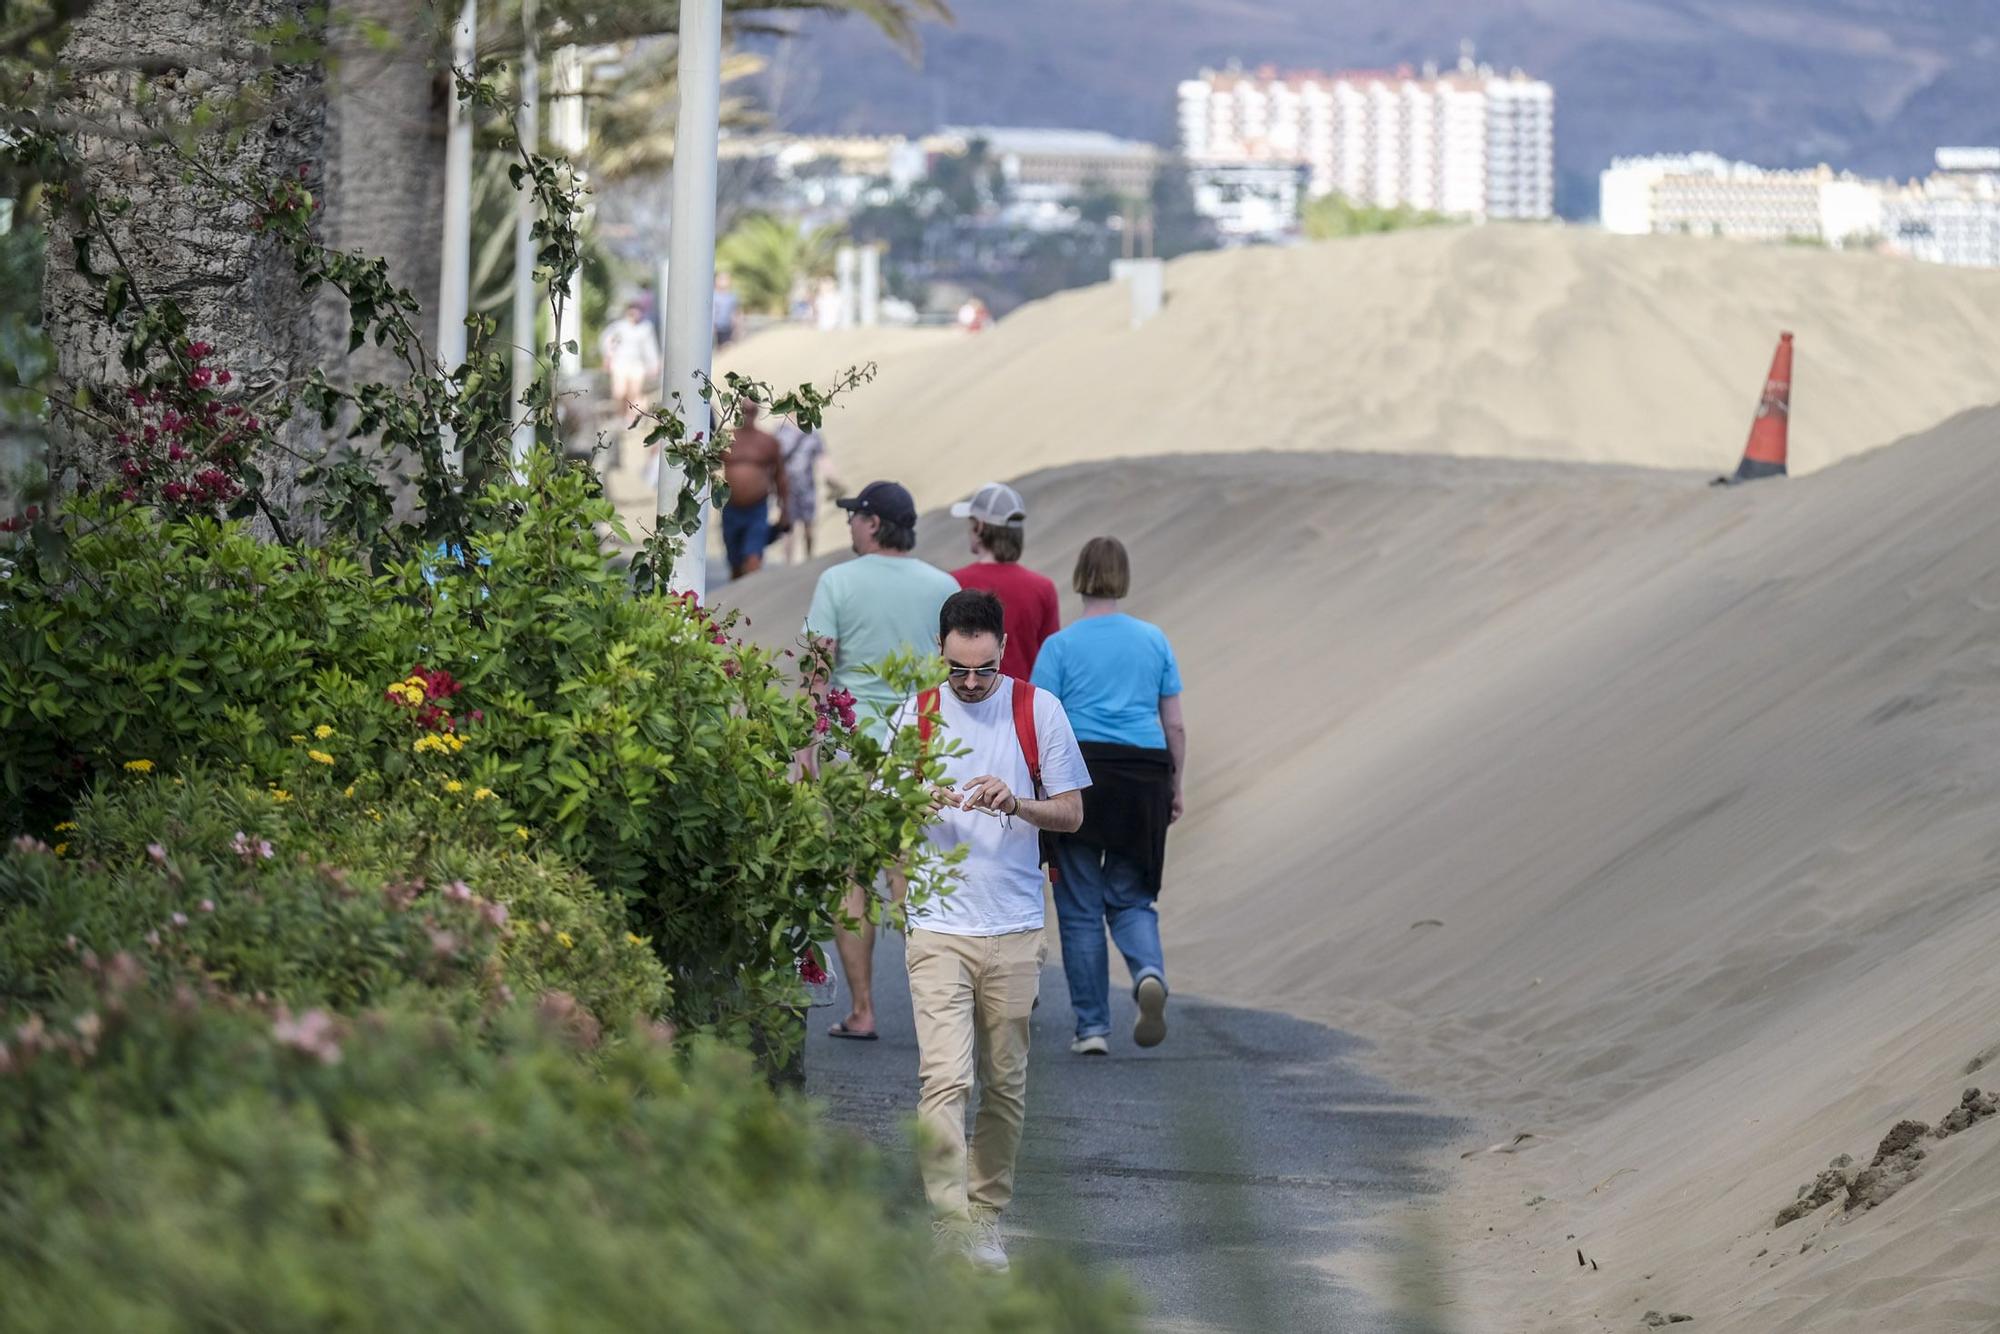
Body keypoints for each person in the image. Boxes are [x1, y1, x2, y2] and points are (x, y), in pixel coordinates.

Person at [894, 588, 1087, 1270]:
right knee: (945, 1077)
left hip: (1013, 923)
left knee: (1005, 1081)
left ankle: (986, 1214)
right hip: (938, 921)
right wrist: (915, 803)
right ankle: (950, 1221)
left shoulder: (1040, 710)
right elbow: (878, 814)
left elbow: (1070, 814)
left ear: (1003, 651)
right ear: (940, 655)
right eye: (957, 669)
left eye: (983, 669)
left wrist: (1020, 803)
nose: (971, 683)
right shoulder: (914, 716)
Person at [803, 481, 960, 1040]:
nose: (848, 526)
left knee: (851, 877)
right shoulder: (945, 586)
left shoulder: (837, 582)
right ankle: (935, 1011)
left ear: (872, 523)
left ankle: (864, 1009)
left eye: (853, 517)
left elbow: (819, 672)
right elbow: (956, 673)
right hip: (919, 751)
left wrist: (804, 745)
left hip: (852, 748)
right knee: (913, 880)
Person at [1031, 537, 1186, 1056]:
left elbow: (1039, 723)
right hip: (1144, 776)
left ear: (1078, 576)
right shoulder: (1154, 640)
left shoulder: (1060, 646)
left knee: (1078, 907)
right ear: (1123, 578)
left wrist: (1039, 790)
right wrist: (1174, 785)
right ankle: (1147, 971)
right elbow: (1176, 724)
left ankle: (1093, 1027)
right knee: (1132, 895)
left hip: (1082, 774)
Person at [949, 481, 1059, 680]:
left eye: (971, 521)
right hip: (1024, 705)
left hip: (969, 700)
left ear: (980, 527)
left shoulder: (954, 583)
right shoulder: (1043, 588)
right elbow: (1051, 661)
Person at [719, 402, 789, 579]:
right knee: (734, 563)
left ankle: (752, 600)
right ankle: (736, 602)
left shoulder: (767, 441)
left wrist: (785, 510)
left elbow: (780, 476)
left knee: (753, 559)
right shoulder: (726, 438)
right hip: (731, 508)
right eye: (744, 410)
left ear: (757, 412)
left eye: (751, 410)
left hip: (756, 509)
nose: (748, 414)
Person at [773, 417, 840, 565]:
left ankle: (808, 559)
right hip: (786, 487)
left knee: (808, 526)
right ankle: (788, 563)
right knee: (789, 527)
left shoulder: (813, 432)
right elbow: (773, 458)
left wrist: (833, 479)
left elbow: (822, 458)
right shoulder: (781, 429)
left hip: (807, 487)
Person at [599, 301, 659, 415]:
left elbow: (650, 347)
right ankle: (620, 414)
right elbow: (608, 342)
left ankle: (630, 418)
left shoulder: (646, 327)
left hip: (637, 363)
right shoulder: (619, 327)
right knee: (619, 393)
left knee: (634, 392)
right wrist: (608, 356)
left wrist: (654, 364)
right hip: (620, 363)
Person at [712, 271, 742, 348]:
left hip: (727, 328)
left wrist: (737, 328)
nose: (724, 281)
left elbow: (736, 313)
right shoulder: (712, 295)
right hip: (714, 328)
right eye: (721, 279)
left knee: (726, 349)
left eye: (726, 279)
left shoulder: (732, 296)